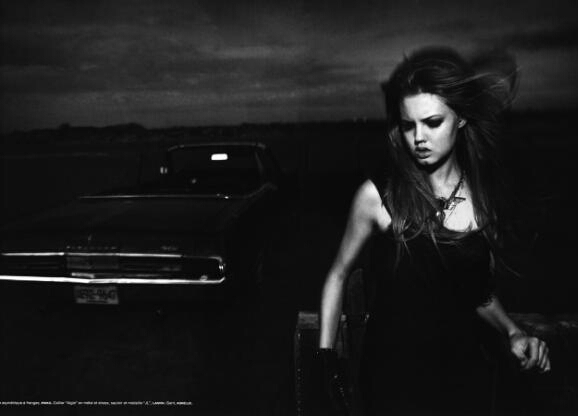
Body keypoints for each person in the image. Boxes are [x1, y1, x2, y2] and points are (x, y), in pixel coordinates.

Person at [318, 46, 551, 415]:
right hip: (392, 382)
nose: (419, 138)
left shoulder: (483, 201)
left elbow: (476, 292)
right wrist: (326, 363)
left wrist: (512, 331)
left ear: (461, 118)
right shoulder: (377, 198)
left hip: (464, 380)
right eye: (408, 125)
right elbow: (337, 274)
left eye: (432, 122)